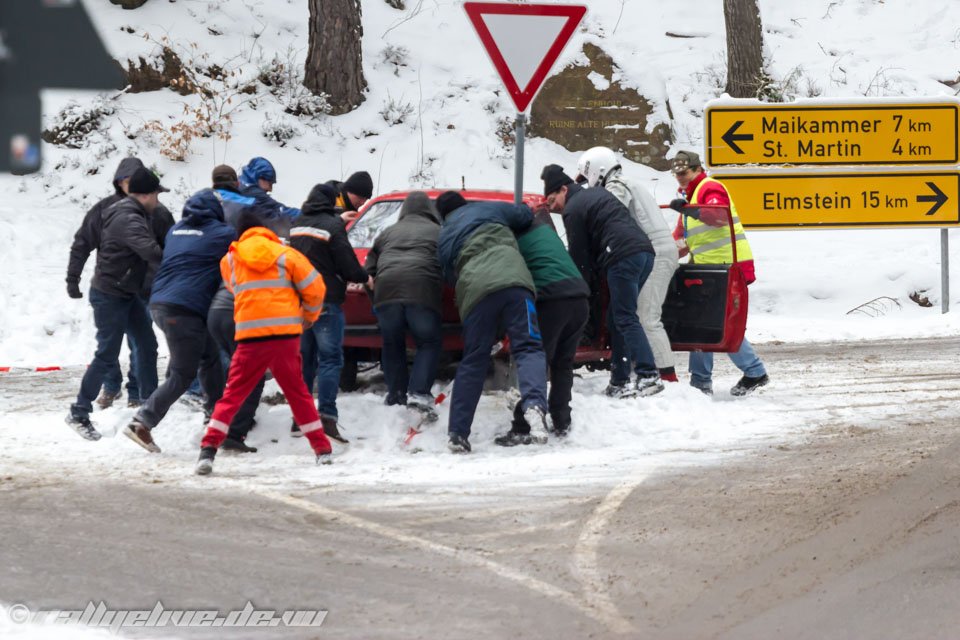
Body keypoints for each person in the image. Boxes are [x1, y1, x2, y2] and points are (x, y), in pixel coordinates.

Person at [196, 211, 332, 475]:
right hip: (285, 335)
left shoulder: (230, 260)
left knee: (232, 394)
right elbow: (316, 288)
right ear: (266, 231)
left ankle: (208, 451)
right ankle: (322, 450)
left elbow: (237, 289)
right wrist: (308, 316)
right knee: (297, 393)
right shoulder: (286, 254)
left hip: (249, 336)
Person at [123, 189, 236, 453]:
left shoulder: (175, 231)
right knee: (183, 373)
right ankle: (142, 422)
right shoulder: (223, 233)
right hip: (184, 309)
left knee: (209, 357)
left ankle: (214, 417)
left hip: (161, 303)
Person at [436, 191, 548, 453]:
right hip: (514, 283)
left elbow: (448, 277)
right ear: (464, 204)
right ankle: (533, 404)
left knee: (473, 360)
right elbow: (523, 214)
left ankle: (458, 433)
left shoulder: (444, 237)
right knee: (529, 347)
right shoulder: (488, 209)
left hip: (475, 293)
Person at [542, 163, 664, 399]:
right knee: (617, 318)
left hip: (622, 256)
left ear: (564, 190)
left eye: (552, 199)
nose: (552, 206)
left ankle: (648, 373)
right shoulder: (597, 194)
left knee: (625, 317)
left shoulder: (573, 209)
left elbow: (580, 260)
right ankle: (619, 381)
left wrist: (579, 291)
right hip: (644, 253)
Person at [65, 167, 167, 440]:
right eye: (156, 194)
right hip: (110, 294)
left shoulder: (133, 211)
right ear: (145, 195)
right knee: (107, 353)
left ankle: (148, 405)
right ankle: (78, 412)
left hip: (126, 292)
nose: (159, 200)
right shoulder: (128, 218)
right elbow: (151, 251)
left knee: (146, 343)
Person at [669, 150, 769, 396]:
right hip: (710, 269)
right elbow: (682, 239)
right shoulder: (690, 198)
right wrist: (664, 253)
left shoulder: (709, 187)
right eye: (677, 174)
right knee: (710, 324)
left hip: (727, 268)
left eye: (685, 173)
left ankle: (705, 383)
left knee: (710, 324)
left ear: (696, 169)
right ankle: (749, 373)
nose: (681, 177)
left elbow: (717, 216)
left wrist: (688, 209)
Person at [577, 146, 680, 383]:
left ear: (596, 169)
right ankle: (640, 369)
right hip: (654, 250)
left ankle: (666, 377)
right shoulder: (628, 182)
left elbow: (611, 216)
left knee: (645, 317)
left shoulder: (617, 187)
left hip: (654, 250)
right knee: (635, 315)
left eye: (586, 175)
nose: (586, 183)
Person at [494, 206, 590, 446]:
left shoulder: (515, 240)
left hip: (554, 301)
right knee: (563, 362)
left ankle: (522, 425)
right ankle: (562, 419)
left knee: (536, 358)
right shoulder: (546, 232)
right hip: (579, 298)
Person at [207, 164, 285, 451]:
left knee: (226, 367)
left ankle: (215, 421)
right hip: (247, 319)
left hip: (216, 309)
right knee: (251, 375)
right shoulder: (274, 251)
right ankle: (235, 432)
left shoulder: (230, 254)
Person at [289, 183, 371, 443]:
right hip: (325, 300)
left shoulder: (297, 223)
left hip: (299, 302)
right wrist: (365, 277)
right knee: (330, 360)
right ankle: (326, 417)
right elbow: (348, 266)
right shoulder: (333, 227)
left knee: (305, 360)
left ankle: (299, 418)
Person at [363, 191, 443, 416]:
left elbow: (368, 272)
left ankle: (396, 395)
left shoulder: (387, 233)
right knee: (428, 342)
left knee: (391, 343)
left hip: (386, 292)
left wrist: (377, 302)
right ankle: (418, 394)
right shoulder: (438, 232)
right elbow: (450, 265)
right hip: (421, 291)